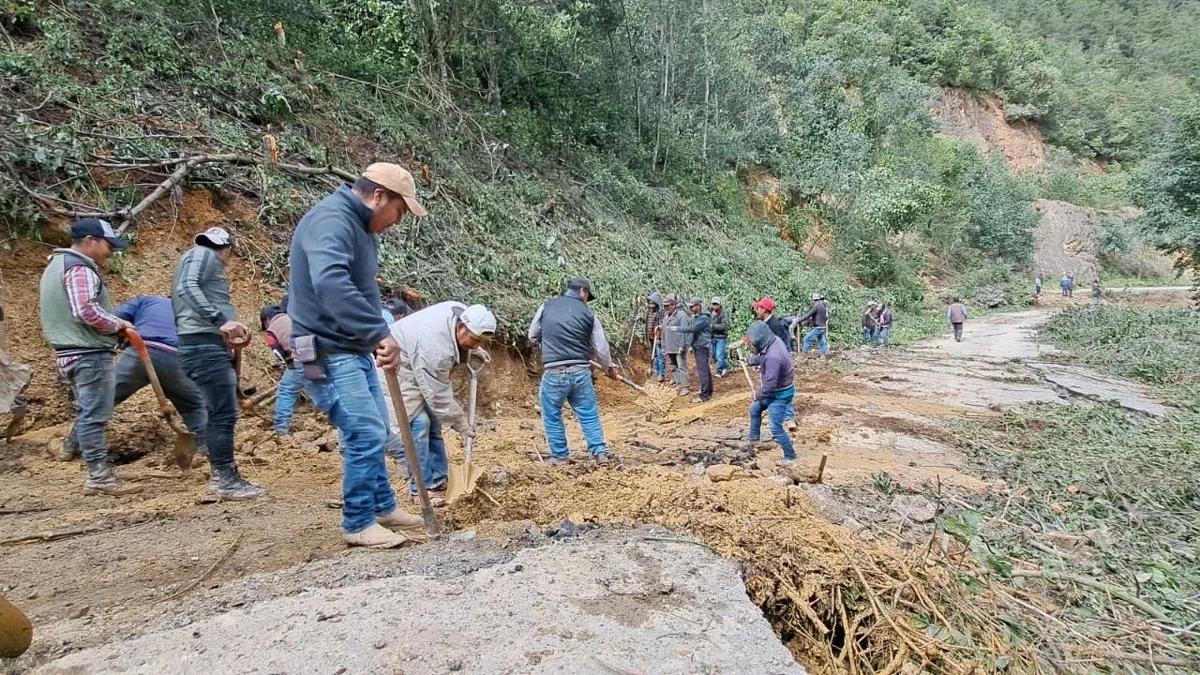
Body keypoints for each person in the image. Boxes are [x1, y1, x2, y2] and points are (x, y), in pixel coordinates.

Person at [289, 162, 429, 548]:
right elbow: (331, 284)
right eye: (399, 211)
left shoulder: (364, 231)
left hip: (352, 347)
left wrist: (379, 337)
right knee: (364, 430)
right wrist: (376, 332)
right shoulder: (331, 221)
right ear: (378, 196)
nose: (397, 221)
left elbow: (362, 290)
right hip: (327, 349)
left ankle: (382, 505)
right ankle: (357, 522)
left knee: (376, 429)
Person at [38, 219, 139, 495]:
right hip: (87, 354)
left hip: (70, 353)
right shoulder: (79, 267)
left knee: (88, 411)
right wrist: (120, 325)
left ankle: (93, 467)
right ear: (90, 240)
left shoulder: (55, 266)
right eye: (108, 245)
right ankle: (100, 477)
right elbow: (84, 310)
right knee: (94, 414)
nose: (111, 252)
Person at [173, 227, 264, 500]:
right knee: (222, 415)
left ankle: (224, 477)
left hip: (204, 345)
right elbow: (187, 286)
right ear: (226, 249)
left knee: (219, 413)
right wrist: (219, 320)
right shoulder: (203, 256)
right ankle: (225, 479)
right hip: (204, 346)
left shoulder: (196, 257)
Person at [386, 301, 495, 504]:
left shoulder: (461, 312)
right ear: (461, 327)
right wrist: (461, 423)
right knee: (419, 425)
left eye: (480, 342)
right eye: (473, 340)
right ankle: (420, 489)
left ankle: (438, 479)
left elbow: (436, 393)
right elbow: (438, 395)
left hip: (418, 363)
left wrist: (473, 349)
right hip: (399, 368)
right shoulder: (435, 347)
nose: (476, 344)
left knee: (434, 423)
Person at [528, 276, 620, 466]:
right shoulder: (589, 314)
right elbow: (601, 348)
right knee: (588, 412)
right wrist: (608, 368)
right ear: (582, 292)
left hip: (554, 371)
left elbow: (533, 334)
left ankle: (560, 456)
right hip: (580, 371)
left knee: (552, 413)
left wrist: (546, 342)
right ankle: (600, 453)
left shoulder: (547, 306)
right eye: (588, 296)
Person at [105, 296, 209, 458]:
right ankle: (206, 450)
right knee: (194, 405)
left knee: (102, 398)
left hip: (142, 350)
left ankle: (73, 446)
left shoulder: (145, 300)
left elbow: (113, 318)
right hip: (179, 359)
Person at [743, 321, 797, 466]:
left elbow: (770, 385)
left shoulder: (772, 357)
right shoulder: (774, 341)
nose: (752, 346)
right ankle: (754, 440)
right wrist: (751, 360)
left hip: (780, 394)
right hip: (775, 391)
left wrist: (758, 395)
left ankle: (790, 456)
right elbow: (762, 357)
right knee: (754, 409)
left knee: (775, 426)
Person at [261, 303, 308, 436]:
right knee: (321, 387)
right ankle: (336, 420)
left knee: (286, 390)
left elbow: (279, 353)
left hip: (300, 357)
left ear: (266, 320)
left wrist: (289, 364)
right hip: (317, 354)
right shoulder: (292, 317)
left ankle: (281, 428)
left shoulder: (271, 330)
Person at [672, 297, 712, 403]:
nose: (691, 308)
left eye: (692, 306)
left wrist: (677, 328)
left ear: (698, 306)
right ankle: (708, 391)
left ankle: (704, 395)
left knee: (702, 371)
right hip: (700, 345)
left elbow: (692, 329)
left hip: (702, 346)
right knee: (705, 370)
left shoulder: (702, 318)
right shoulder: (699, 317)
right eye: (690, 306)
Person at [660, 294, 691, 396]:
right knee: (673, 366)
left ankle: (685, 386)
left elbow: (684, 331)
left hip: (678, 347)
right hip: (669, 347)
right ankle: (678, 383)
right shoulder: (666, 317)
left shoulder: (681, 315)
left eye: (667, 306)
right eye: (664, 306)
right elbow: (663, 332)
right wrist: (663, 346)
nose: (665, 308)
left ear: (673, 305)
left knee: (682, 366)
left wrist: (682, 346)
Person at [798, 293, 829, 357]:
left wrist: (799, 320)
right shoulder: (823, 306)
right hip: (823, 327)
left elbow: (808, 315)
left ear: (813, 300)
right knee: (821, 340)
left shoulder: (816, 306)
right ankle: (823, 354)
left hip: (819, 327)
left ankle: (804, 354)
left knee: (806, 339)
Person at [643, 292, 666, 382]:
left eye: (652, 303)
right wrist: (641, 319)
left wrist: (659, 338)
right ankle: (656, 372)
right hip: (650, 336)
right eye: (650, 303)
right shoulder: (649, 311)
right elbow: (647, 321)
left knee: (660, 355)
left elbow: (661, 324)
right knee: (654, 355)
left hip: (657, 336)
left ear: (656, 303)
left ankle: (661, 374)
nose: (651, 305)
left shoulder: (660, 312)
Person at [710, 297, 730, 377]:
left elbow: (725, 326)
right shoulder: (710, 313)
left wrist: (713, 326)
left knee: (719, 355)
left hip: (721, 337)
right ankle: (725, 366)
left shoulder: (723, 313)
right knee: (714, 355)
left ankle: (719, 371)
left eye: (716, 304)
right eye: (713, 304)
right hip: (713, 337)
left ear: (720, 304)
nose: (715, 306)